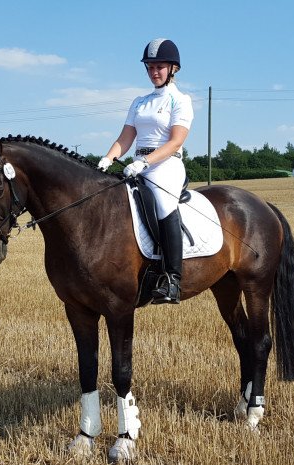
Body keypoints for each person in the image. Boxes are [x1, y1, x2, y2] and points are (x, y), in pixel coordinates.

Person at [98, 38, 194, 304]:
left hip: (167, 163)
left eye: (160, 67)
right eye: (150, 67)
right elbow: (125, 138)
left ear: (173, 68)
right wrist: (106, 159)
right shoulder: (140, 102)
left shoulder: (181, 100)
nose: (154, 72)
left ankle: (172, 278)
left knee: (163, 204)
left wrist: (145, 162)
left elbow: (176, 140)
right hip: (137, 165)